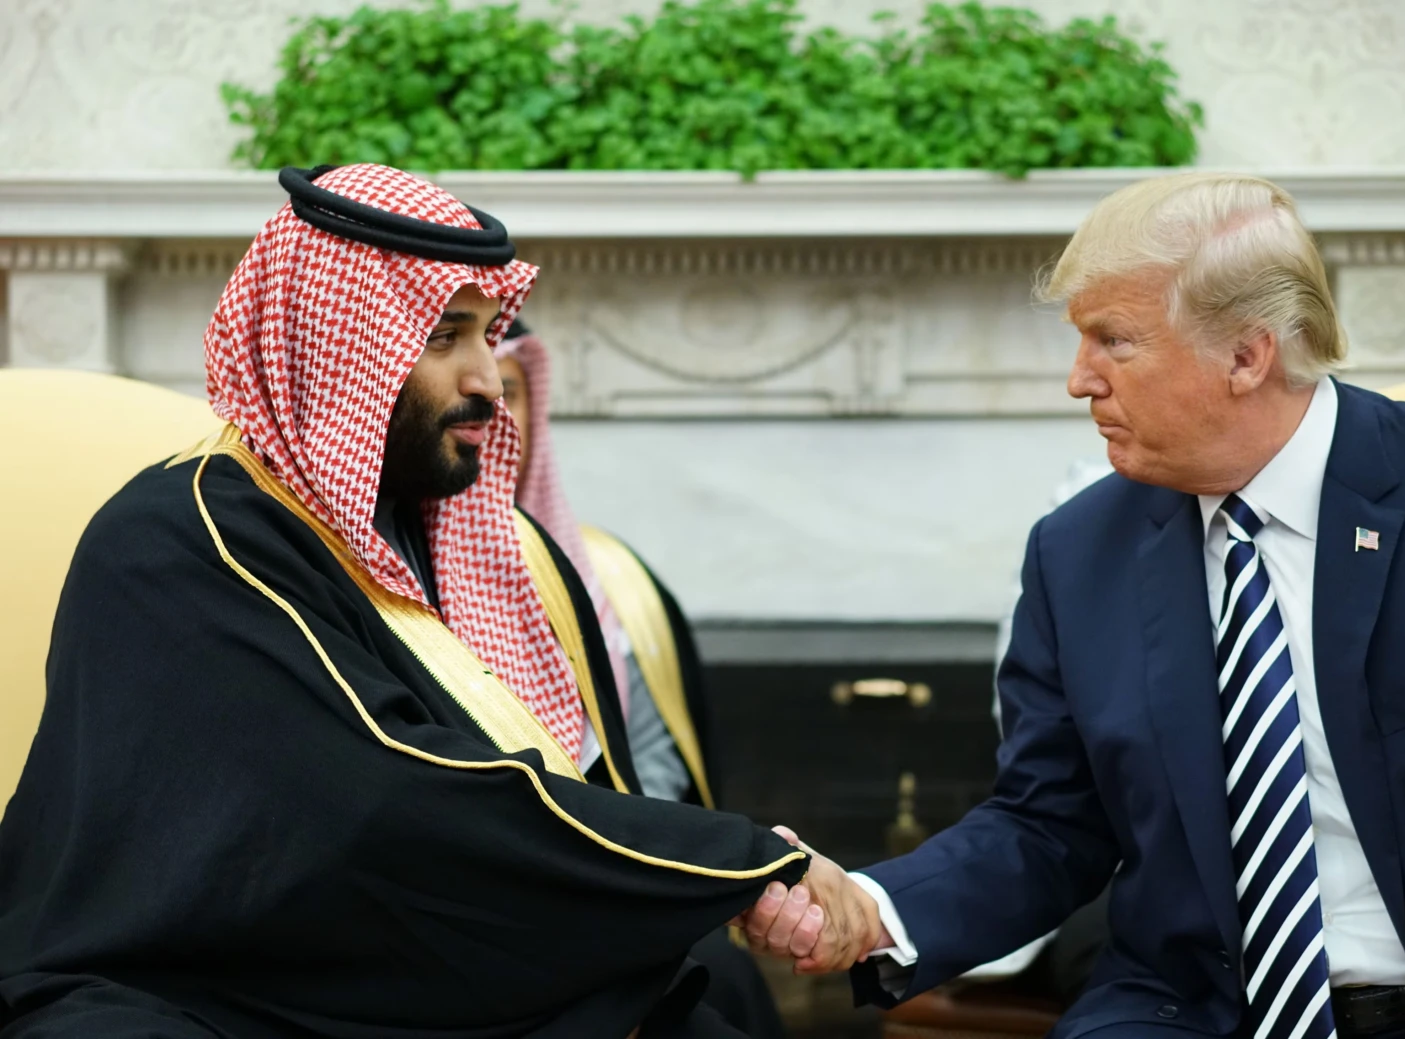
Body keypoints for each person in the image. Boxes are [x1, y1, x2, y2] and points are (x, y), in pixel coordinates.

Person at [742, 171, 1405, 1039]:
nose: (1080, 381)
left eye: (1113, 341)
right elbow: (1048, 824)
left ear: (1246, 354)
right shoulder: (1078, 551)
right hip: (1187, 1012)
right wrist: (869, 905)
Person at [0, 163, 818, 1039]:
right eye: (444, 337)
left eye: (488, 336)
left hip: (404, 962)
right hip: (201, 986)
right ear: (335, 348)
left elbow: (571, 780)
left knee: (700, 994)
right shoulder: (185, 538)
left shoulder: (474, 545)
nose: (487, 381)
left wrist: (729, 878)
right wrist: (738, 861)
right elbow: (388, 793)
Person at [495, 323, 786, 1038]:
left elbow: (652, 764)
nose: (491, 414)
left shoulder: (602, 577)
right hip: (484, 895)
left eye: (508, 392)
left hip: (613, 867)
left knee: (725, 975)